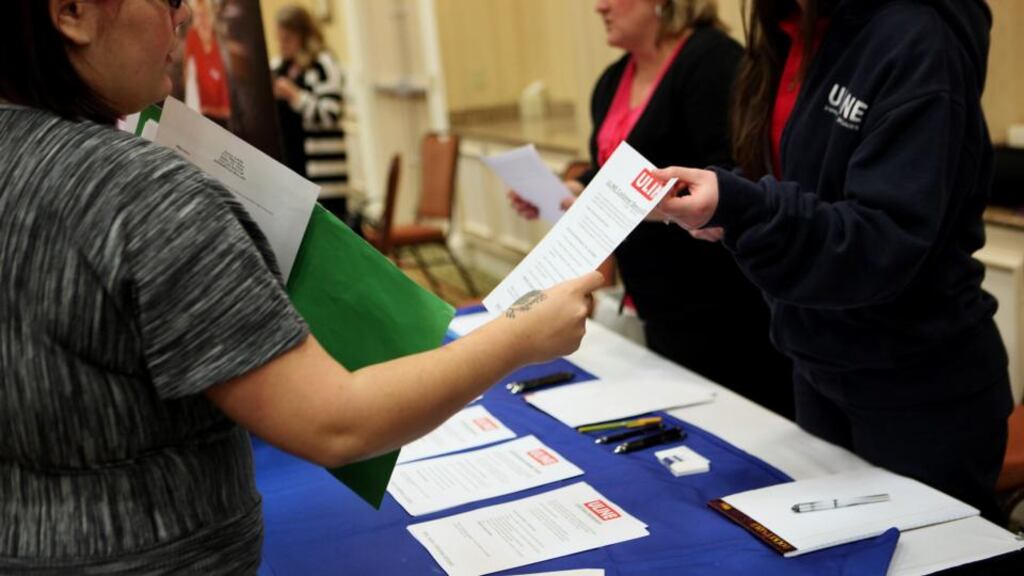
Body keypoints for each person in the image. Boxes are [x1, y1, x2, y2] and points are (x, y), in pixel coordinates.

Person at [0, 1, 603, 573]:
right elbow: (336, 423)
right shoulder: (146, 192)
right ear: (72, 13)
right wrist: (520, 333)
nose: (181, 16)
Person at [653, 0, 1013, 521]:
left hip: (917, 387)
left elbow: (883, 241)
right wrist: (720, 199)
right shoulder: (788, 31)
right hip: (817, 365)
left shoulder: (917, 38)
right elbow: (795, 182)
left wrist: (747, 209)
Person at [510, 0, 794, 418]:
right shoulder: (613, 79)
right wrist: (572, 188)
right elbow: (615, 172)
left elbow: (736, 176)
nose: (599, 7)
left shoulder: (713, 62)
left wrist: (647, 203)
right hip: (654, 302)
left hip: (720, 307)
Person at [272, 5, 351, 222]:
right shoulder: (279, 68)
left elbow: (331, 113)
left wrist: (295, 96)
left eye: (287, 39)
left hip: (324, 179)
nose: (282, 45)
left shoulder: (323, 66)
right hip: (292, 174)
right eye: (279, 39)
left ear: (302, 36)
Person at [183, 0, 231, 124]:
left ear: (212, 15)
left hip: (223, 109)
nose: (201, 19)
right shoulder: (192, 36)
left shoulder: (219, 36)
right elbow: (187, 75)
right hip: (201, 110)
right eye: (198, 15)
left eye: (204, 14)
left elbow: (227, 73)